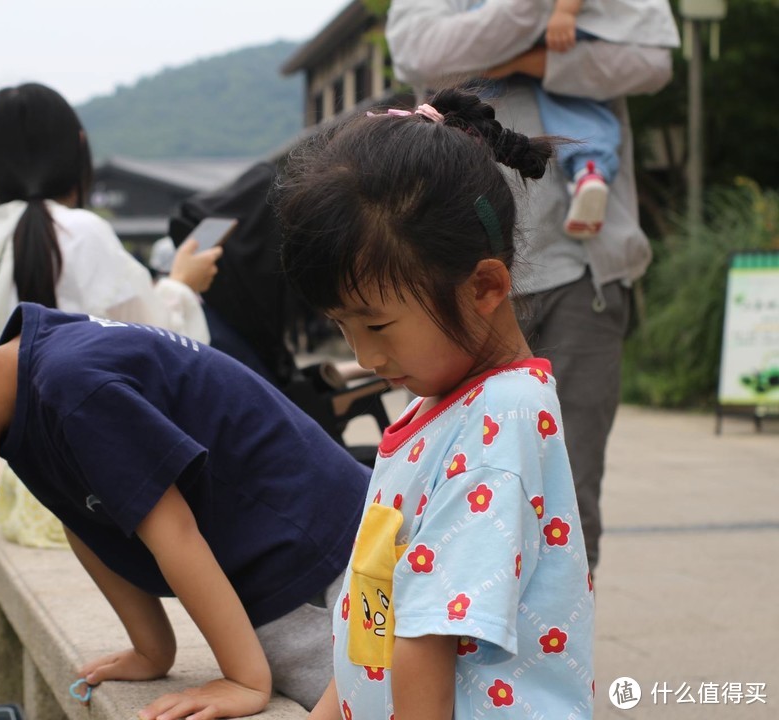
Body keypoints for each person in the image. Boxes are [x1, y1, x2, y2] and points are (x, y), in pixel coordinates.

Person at [0, 297, 371, 718]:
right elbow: (86, 522)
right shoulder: (27, 383)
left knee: (382, 701)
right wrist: (152, 649)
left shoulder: (72, 388)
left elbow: (175, 534)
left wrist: (244, 681)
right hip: (280, 568)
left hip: (324, 570)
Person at [274, 87, 594, 719]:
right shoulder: (452, 402)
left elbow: (428, 634)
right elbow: (380, 614)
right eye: (344, 328)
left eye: (378, 326)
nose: (364, 357)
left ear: (484, 286)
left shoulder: (499, 424)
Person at [387, 0, 677, 573]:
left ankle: (559, 652)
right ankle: (458, 649)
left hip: (580, 271)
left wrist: (526, 60)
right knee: (451, 480)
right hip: (457, 272)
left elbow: (649, 61)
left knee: (569, 489)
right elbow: (419, 53)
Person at [0, 82, 222, 548]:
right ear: (78, 146)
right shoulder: (83, 231)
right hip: (101, 482)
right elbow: (150, 340)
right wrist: (181, 284)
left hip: (26, 492)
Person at [531, 0, 681, 237]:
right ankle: (590, 170)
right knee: (581, 97)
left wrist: (565, 12)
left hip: (591, 22)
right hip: (615, 25)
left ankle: (589, 168)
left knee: (567, 94)